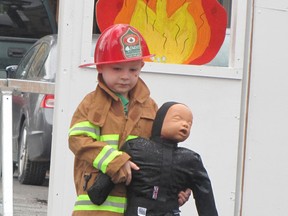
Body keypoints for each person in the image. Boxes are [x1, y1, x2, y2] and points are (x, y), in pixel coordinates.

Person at [68, 24, 191, 216]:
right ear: (100, 67)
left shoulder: (151, 107)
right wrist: (115, 162)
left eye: (133, 69)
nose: (125, 76)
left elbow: (162, 153)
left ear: (142, 66)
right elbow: (78, 139)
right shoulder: (91, 103)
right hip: (97, 207)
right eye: (117, 68)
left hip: (139, 205)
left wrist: (176, 186)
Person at [89, 102, 218, 216]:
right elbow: (99, 190)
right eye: (178, 119)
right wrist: (98, 190)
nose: (185, 125)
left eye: (190, 123)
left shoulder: (191, 160)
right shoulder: (135, 147)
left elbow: (206, 200)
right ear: (160, 121)